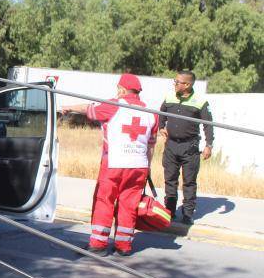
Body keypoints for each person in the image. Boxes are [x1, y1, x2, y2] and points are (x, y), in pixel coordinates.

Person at [61, 74, 158, 256]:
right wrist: (148, 167)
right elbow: (151, 145)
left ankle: (98, 244)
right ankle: (123, 246)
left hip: (114, 163)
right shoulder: (152, 114)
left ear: (121, 89)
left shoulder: (114, 105)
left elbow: (88, 109)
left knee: (104, 200)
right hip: (139, 166)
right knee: (129, 204)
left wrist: (69, 107)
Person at [159, 70, 214, 225]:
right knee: (170, 180)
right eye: (175, 81)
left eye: (177, 82)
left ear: (187, 85)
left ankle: (187, 214)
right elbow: (161, 113)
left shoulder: (200, 102)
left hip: (190, 147)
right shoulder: (169, 97)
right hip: (171, 145)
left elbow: (208, 125)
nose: (175, 84)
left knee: (189, 182)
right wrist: (161, 126)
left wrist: (209, 145)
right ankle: (169, 212)